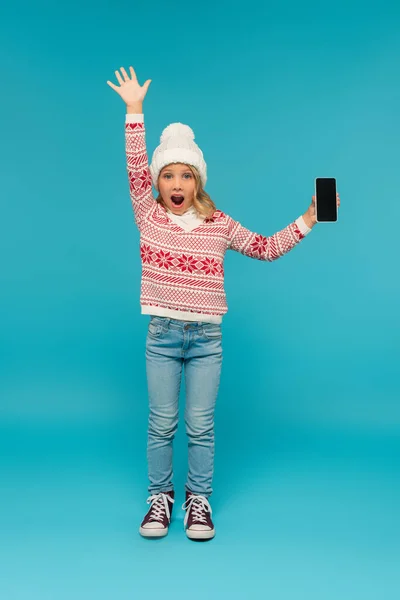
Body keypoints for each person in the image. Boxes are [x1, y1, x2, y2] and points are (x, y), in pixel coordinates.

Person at [107, 65, 340, 541]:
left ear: (197, 182)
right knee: (162, 422)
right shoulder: (147, 214)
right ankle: (160, 497)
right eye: (167, 174)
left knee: (199, 424)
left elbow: (265, 248)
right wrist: (135, 111)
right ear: (157, 182)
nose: (175, 183)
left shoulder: (219, 224)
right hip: (163, 336)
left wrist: (309, 219)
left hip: (207, 340)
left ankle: (198, 501)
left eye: (184, 176)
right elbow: (134, 165)